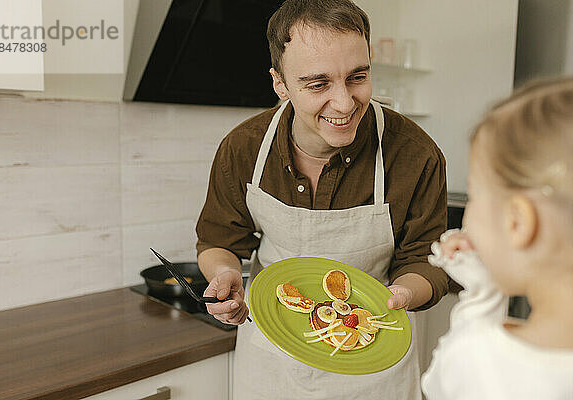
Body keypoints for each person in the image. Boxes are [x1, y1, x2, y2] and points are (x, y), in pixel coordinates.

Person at [195, 0, 449, 398]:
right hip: (271, 362)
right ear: (280, 83)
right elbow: (219, 242)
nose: (345, 103)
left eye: (357, 77)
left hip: (374, 360)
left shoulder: (414, 154)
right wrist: (224, 276)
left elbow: (424, 261)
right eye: (317, 84)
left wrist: (401, 295)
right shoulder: (244, 148)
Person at [422, 77, 573, 399]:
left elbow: (437, 386)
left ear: (518, 222)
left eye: (474, 195)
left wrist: (482, 296)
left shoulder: (479, 361)